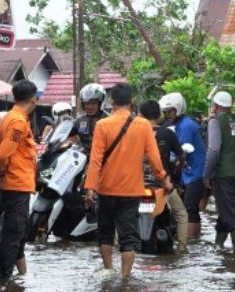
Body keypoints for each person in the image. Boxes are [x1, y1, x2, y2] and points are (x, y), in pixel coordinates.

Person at [84, 84, 172, 277]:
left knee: (105, 233)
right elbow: (154, 157)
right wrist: (164, 180)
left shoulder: (102, 125)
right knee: (129, 236)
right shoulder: (143, 125)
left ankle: (108, 269)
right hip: (132, 190)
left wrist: (90, 188)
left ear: (112, 103)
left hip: (106, 189)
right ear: (132, 102)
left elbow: (95, 159)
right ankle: (125, 276)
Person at [0, 80, 40, 283]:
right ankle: (5, 281)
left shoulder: (8, 117)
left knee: (18, 231)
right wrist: (1, 169)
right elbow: (1, 154)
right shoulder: (18, 122)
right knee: (13, 233)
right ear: (34, 99)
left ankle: (22, 277)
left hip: (14, 183)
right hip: (17, 183)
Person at [139, 99, 189, 252]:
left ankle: (118, 245)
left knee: (123, 215)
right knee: (181, 214)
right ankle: (182, 247)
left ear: (141, 115)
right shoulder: (167, 133)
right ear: (159, 115)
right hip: (163, 185)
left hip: (137, 187)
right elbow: (181, 155)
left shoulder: (134, 133)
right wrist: (180, 163)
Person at [203, 90, 235, 250]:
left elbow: (214, 150)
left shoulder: (215, 122)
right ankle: (219, 248)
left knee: (232, 218)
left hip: (224, 176)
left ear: (215, 106)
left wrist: (206, 175)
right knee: (227, 212)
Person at [159, 92, 207, 242]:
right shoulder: (182, 124)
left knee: (189, 208)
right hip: (192, 172)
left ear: (178, 109)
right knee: (191, 208)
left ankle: (191, 239)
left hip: (195, 172)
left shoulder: (185, 126)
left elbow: (182, 152)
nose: (167, 115)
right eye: (165, 112)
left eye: (170, 111)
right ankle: (195, 239)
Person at [72, 83, 108, 152]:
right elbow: (66, 132)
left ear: (100, 103)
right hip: (83, 159)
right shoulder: (80, 120)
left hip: (103, 158)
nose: (89, 107)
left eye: (93, 103)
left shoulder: (108, 120)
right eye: (87, 103)